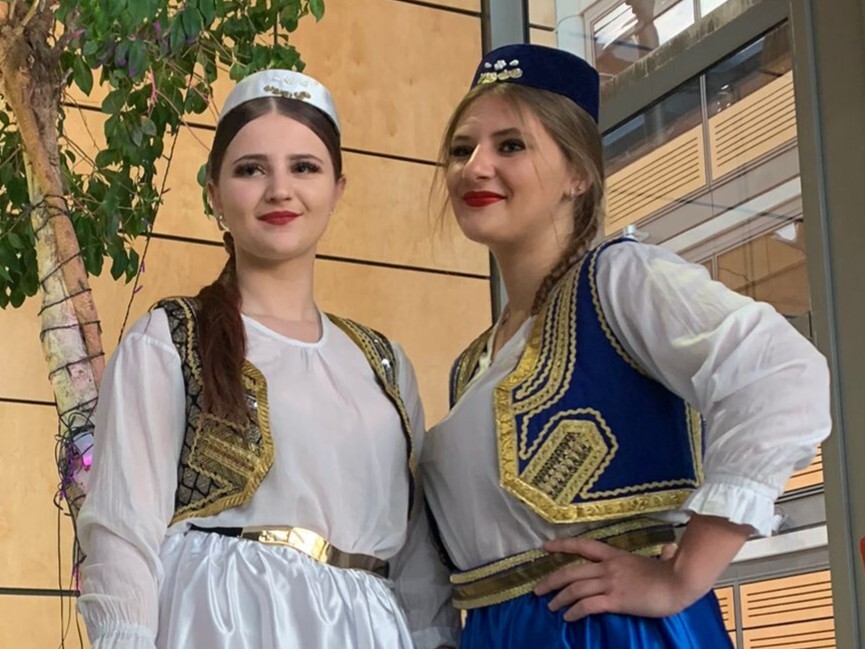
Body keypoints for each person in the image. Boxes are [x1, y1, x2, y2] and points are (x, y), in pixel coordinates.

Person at [423, 43, 830, 648]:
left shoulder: (618, 279)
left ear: (579, 173)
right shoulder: (474, 364)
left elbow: (782, 373)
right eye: (462, 149)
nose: (475, 167)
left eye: (511, 145)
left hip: (605, 629)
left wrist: (681, 577)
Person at [76, 69, 458, 649]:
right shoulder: (170, 339)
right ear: (214, 194)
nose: (280, 189)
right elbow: (122, 536)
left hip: (369, 631)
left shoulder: (383, 362)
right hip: (223, 627)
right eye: (252, 169)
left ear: (338, 189)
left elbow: (417, 563)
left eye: (304, 167)